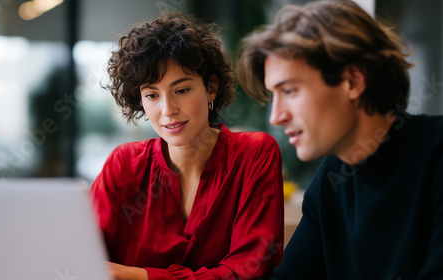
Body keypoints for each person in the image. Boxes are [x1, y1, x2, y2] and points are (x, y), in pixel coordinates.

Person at [236, 0, 443, 279]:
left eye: (290, 90)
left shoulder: (436, 153)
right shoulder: (331, 179)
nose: (276, 116)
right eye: (274, 96)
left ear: (353, 81)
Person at [90, 12, 284, 280]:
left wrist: (137, 276)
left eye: (181, 90)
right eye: (152, 95)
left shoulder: (254, 154)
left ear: (211, 88)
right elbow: (81, 257)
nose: (167, 110)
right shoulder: (124, 163)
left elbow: (248, 270)